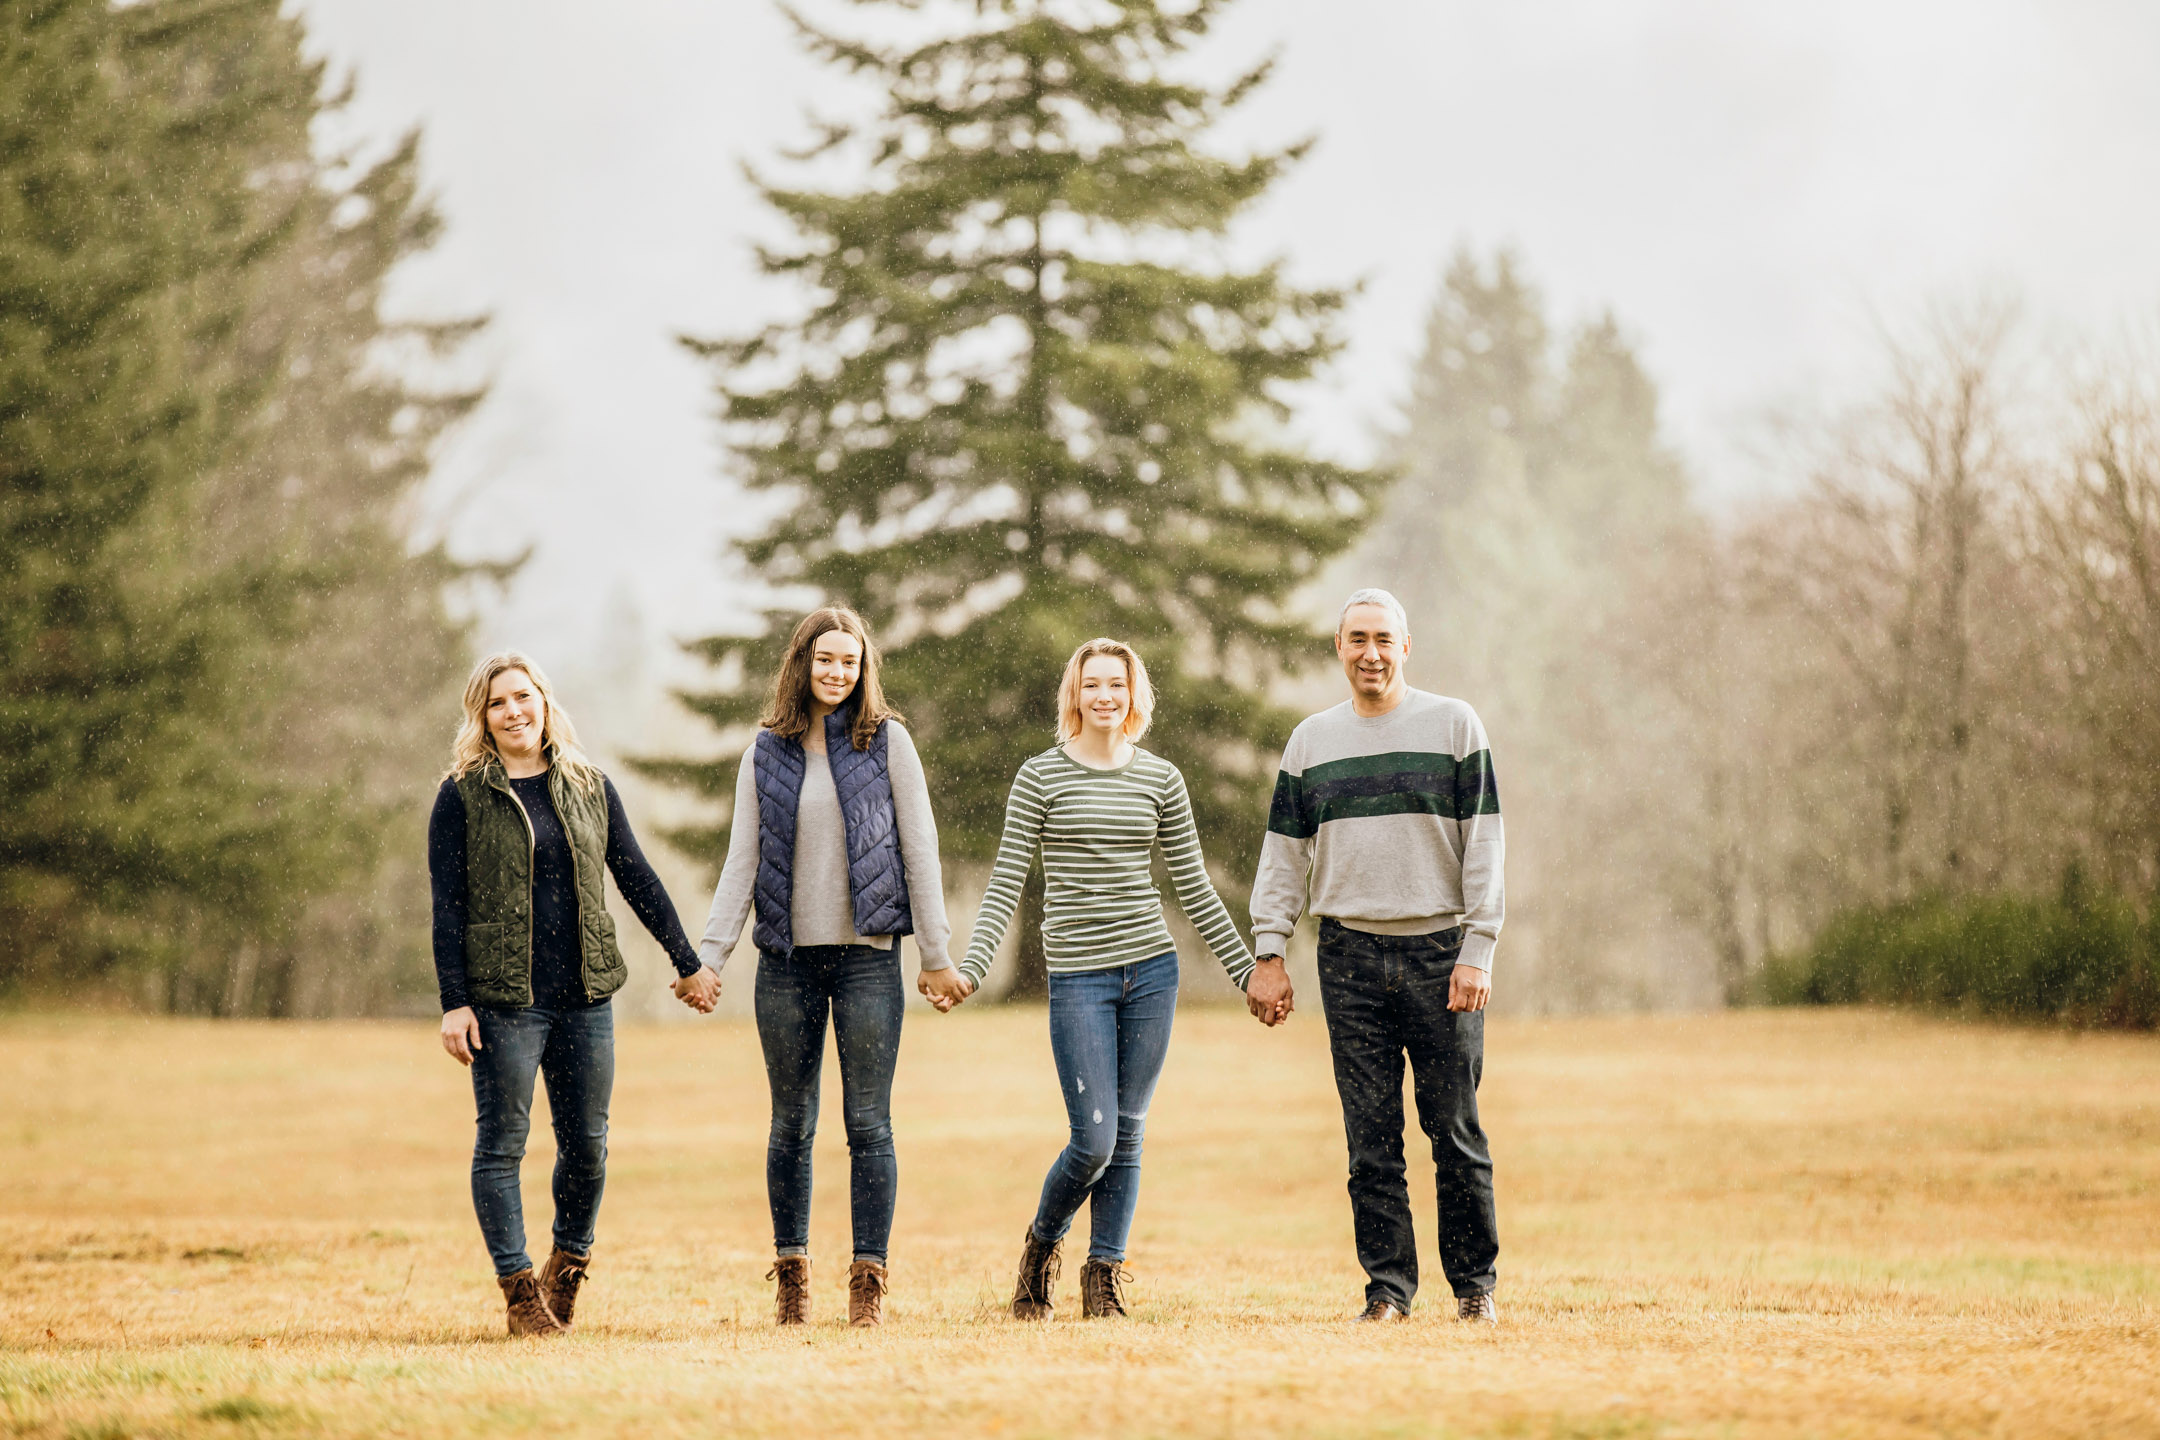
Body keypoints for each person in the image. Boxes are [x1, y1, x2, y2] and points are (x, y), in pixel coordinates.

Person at [946, 637, 1271, 1321]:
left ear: (1133, 696)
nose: (1104, 697)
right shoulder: (1041, 777)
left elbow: (1195, 887)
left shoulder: (1160, 780)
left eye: (1116, 686)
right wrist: (971, 967)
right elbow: (1006, 881)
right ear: (1074, 694)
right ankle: (1042, 1247)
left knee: (1128, 1130)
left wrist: (1248, 972)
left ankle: (1105, 1278)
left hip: (1152, 972)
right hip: (1078, 977)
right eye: (1092, 684)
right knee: (1092, 1138)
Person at [429, 651, 720, 1338]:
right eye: (498, 703)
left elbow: (635, 875)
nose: (514, 712)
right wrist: (454, 1001)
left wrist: (687, 961)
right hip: (504, 1002)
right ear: (481, 717)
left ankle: (567, 1266)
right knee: (502, 1144)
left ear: (544, 701)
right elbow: (447, 906)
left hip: (586, 997)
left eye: (523, 697)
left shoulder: (588, 785)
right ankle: (519, 1291)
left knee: (587, 1147)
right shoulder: (462, 795)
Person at [699, 606, 966, 1328]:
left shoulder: (887, 744)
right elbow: (741, 862)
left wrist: (937, 955)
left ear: (863, 668)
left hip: (869, 962)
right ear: (802, 664)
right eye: (825, 660)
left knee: (868, 1124)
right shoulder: (767, 751)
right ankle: (792, 1274)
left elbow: (921, 850)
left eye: (848, 662)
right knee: (791, 1123)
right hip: (786, 965)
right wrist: (709, 956)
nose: (837, 672)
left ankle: (868, 1280)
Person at [1246, 588, 1505, 1325]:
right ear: (1339, 648)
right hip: (1349, 956)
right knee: (1370, 1142)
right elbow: (1283, 858)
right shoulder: (1310, 742)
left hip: (1440, 952)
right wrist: (1270, 950)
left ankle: (1474, 1288)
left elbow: (1485, 845)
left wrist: (1478, 948)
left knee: (1454, 1131)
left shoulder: (1455, 727)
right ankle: (1388, 1291)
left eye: (1384, 639)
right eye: (1357, 638)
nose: (1371, 653)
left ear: (1406, 645)